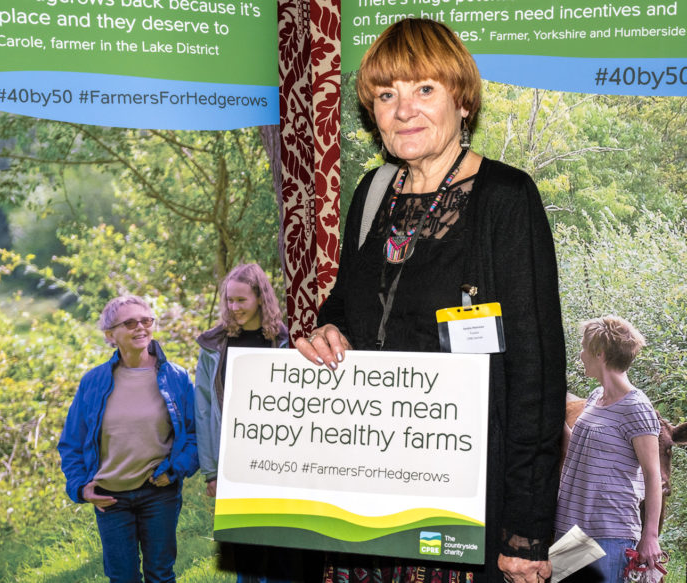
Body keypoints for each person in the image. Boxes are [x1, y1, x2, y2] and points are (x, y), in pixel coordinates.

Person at [295, 18, 566, 583]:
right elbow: (345, 306)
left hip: (467, 510)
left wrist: (526, 532)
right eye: (385, 95)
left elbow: (536, 377)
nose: (403, 110)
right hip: (366, 506)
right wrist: (328, 331)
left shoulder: (506, 200)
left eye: (424, 90)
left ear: (462, 100)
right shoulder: (370, 195)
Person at [58, 295, 199, 583]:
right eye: (130, 322)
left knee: (160, 575)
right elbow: (71, 443)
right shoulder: (93, 382)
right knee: (122, 578)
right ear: (111, 335)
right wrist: (81, 489)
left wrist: (174, 470)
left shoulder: (176, 377)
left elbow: (196, 434)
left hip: (159, 492)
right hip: (111, 497)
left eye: (146, 320)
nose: (140, 328)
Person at [194, 262, 291, 581]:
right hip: (233, 464)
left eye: (241, 300)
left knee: (279, 555)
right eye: (229, 301)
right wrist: (211, 470)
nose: (233, 308)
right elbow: (204, 410)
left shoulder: (285, 342)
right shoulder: (214, 346)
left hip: (278, 465)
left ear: (261, 298)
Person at [554, 316, 662, 583]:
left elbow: (652, 475)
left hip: (609, 533)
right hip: (572, 528)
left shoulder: (636, 407)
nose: (580, 355)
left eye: (583, 347)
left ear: (599, 353)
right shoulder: (594, 398)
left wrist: (650, 536)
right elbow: (576, 449)